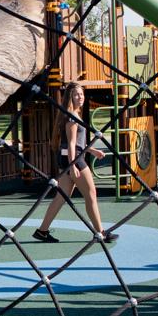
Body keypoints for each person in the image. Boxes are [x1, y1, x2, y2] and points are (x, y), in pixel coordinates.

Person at [32, 82, 115, 244]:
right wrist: (72, 167)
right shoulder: (71, 116)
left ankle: (42, 231)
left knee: (61, 197)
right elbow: (70, 144)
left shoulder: (72, 114)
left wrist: (92, 151)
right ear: (70, 97)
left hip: (71, 158)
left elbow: (76, 143)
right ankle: (100, 233)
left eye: (82, 94)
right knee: (91, 194)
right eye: (76, 94)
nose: (80, 97)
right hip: (74, 160)